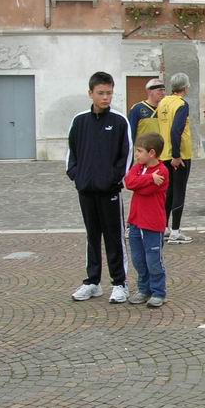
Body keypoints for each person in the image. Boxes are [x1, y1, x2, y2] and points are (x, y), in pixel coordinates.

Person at [66, 71, 132, 304]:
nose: (105, 97)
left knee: (114, 237)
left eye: (109, 93)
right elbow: (71, 153)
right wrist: (77, 176)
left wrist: (113, 179)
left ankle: (119, 283)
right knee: (92, 236)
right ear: (90, 93)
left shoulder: (119, 121)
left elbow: (127, 155)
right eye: (101, 93)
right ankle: (92, 282)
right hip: (86, 190)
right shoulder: (79, 121)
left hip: (109, 191)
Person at [124, 132, 169, 308]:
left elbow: (145, 190)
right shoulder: (138, 168)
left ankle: (158, 292)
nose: (136, 155)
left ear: (151, 153)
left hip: (152, 224)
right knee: (138, 260)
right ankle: (144, 289)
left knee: (153, 260)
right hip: (136, 222)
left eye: (139, 151)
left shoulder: (162, 171)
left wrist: (140, 183)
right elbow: (129, 183)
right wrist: (149, 178)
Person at [157, 73, 193, 244]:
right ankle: (176, 231)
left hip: (164, 153)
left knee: (168, 191)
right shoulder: (182, 104)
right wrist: (177, 155)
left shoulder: (163, 102)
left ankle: (164, 227)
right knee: (179, 191)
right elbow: (176, 130)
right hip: (179, 155)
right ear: (185, 87)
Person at [128, 78, 166, 143]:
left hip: (161, 148)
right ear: (149, 91)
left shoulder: (165, 109)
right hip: (143, 148)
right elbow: (130, 133)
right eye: (160, 90)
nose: (163, 93)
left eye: (164, 90)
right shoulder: (137, 108)